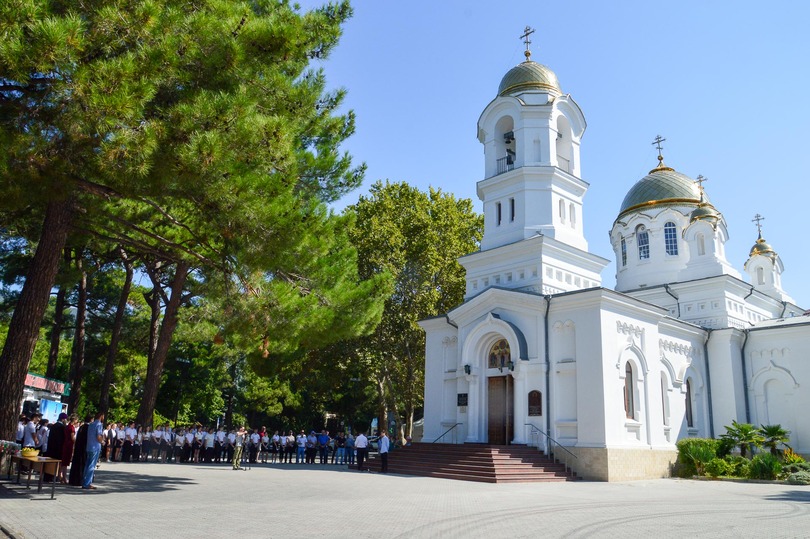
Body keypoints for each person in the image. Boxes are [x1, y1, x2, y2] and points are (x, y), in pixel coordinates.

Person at [83, 411, 105, 490]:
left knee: (87, 464)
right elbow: (99, 436)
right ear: (101, 416)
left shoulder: (91, 424)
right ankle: (87, 483)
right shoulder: (99, 425)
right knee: (92, 465)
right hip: (95, 447)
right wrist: (102, 441)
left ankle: (84, 481)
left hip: (89, 446)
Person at [68, 415, 90, 487]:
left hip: (78, 448)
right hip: (84, 448)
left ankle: (73, 479)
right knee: (82, 464)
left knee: (76, 464)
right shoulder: (88, 428)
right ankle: (79, 480)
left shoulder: (81, 427)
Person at [61, 414, 79, 484]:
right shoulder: (71, 427)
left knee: (64, 462)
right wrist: (76, 442)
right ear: (74, 420)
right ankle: (64, 478)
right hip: (69, 445)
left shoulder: (67, 426)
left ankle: (62, 477)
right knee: (65, 462)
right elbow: (72, 437)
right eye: (76, 420)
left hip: (65, 443)